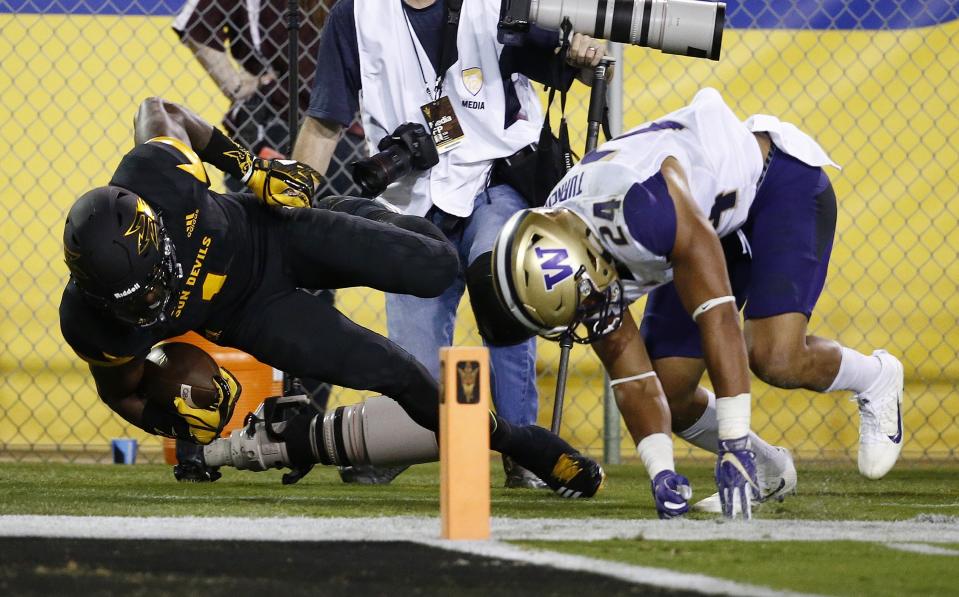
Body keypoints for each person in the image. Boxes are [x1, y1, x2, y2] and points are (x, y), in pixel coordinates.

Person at [58, 96, 605, 500]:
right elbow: (122, 391)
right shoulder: (91, 321)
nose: (152, 300)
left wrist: (250, 169)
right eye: (133, 301)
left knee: (436, 264)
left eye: (156, 279)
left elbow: (161, 109)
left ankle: (349, 212)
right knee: (395, 372)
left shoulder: (158, 176)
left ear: (156, 232)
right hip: (254, 317)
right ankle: (517, 442)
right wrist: (176, 426)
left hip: (275, 233)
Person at [492, 87, 904, 518]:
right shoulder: (567, 245)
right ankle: (768, 469)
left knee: (774, 356)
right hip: (701, 217)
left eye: (586, 296)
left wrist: (734, 442)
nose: (591, 307)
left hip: (774, 187)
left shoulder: (645, 211)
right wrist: (660, 472)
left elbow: (718, 317)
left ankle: (875, 377)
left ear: (586, 254)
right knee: (669, 388)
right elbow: (630, 375)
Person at [291, 0, 608, 489]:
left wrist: (587, 56)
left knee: (504, 283)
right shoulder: (353, 15)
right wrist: (291, 207)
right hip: (410, 199)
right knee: (412, 366)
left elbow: (573, 66)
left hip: (496, 179)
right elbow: (323, 123)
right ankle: (404, 437)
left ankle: (524, 451)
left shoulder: (500, 3)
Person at [173, 0, 365, 198]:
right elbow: (195, 22)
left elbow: (194, 23)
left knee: (341, 215)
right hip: (274, 116)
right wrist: (236, 86)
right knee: (262, 216)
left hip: (339, 123)